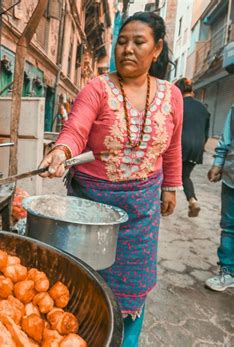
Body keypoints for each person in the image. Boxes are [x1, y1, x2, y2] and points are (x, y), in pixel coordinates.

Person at [39, 12, 183, 346]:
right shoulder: (98, 88)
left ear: (157, 49)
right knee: (82, 282)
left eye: (138, 42)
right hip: (90, 210)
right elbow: (75, 128)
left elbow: (172, 147)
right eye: (122, 41)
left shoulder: (172, 96)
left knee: (132, 289)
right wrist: (61, 152)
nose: (128, 49)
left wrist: (171, 186)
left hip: (142, 212)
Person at [206, 105, 234, 291]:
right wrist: (217, 163)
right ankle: (228, 271)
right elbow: (226, 139)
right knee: (229, 226)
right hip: (232, 178)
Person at [174, 77, 210, 217]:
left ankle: (161, 202)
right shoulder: (203, 108)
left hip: (180, 144)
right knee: (185, 176)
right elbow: (205, 133)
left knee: (167, 172)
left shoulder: (178, 104)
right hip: (197, 147)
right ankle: (193, 201)